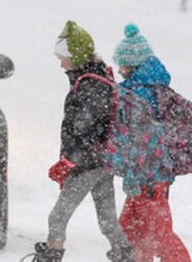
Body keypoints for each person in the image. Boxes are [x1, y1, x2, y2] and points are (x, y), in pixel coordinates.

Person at [31, 20, 134, 262]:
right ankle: (125, 254)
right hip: (102, 162)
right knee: (107, 219)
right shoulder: (96, 80)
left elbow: (83, 129)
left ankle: (53, 254)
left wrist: (69, 161)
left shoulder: (90, 85)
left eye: (62, 57)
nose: (60, 63)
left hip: (87, 163)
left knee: (58, 216)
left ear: (75, 56)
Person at [113, 23, 190, 262]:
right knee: (132, 232)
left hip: (147, 177)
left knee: (157, 235)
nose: (119, 68)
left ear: (131, 64)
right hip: (151, 177)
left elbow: (139, 139)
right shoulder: (154, 90)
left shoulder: (139, 96)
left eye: (122, 63)